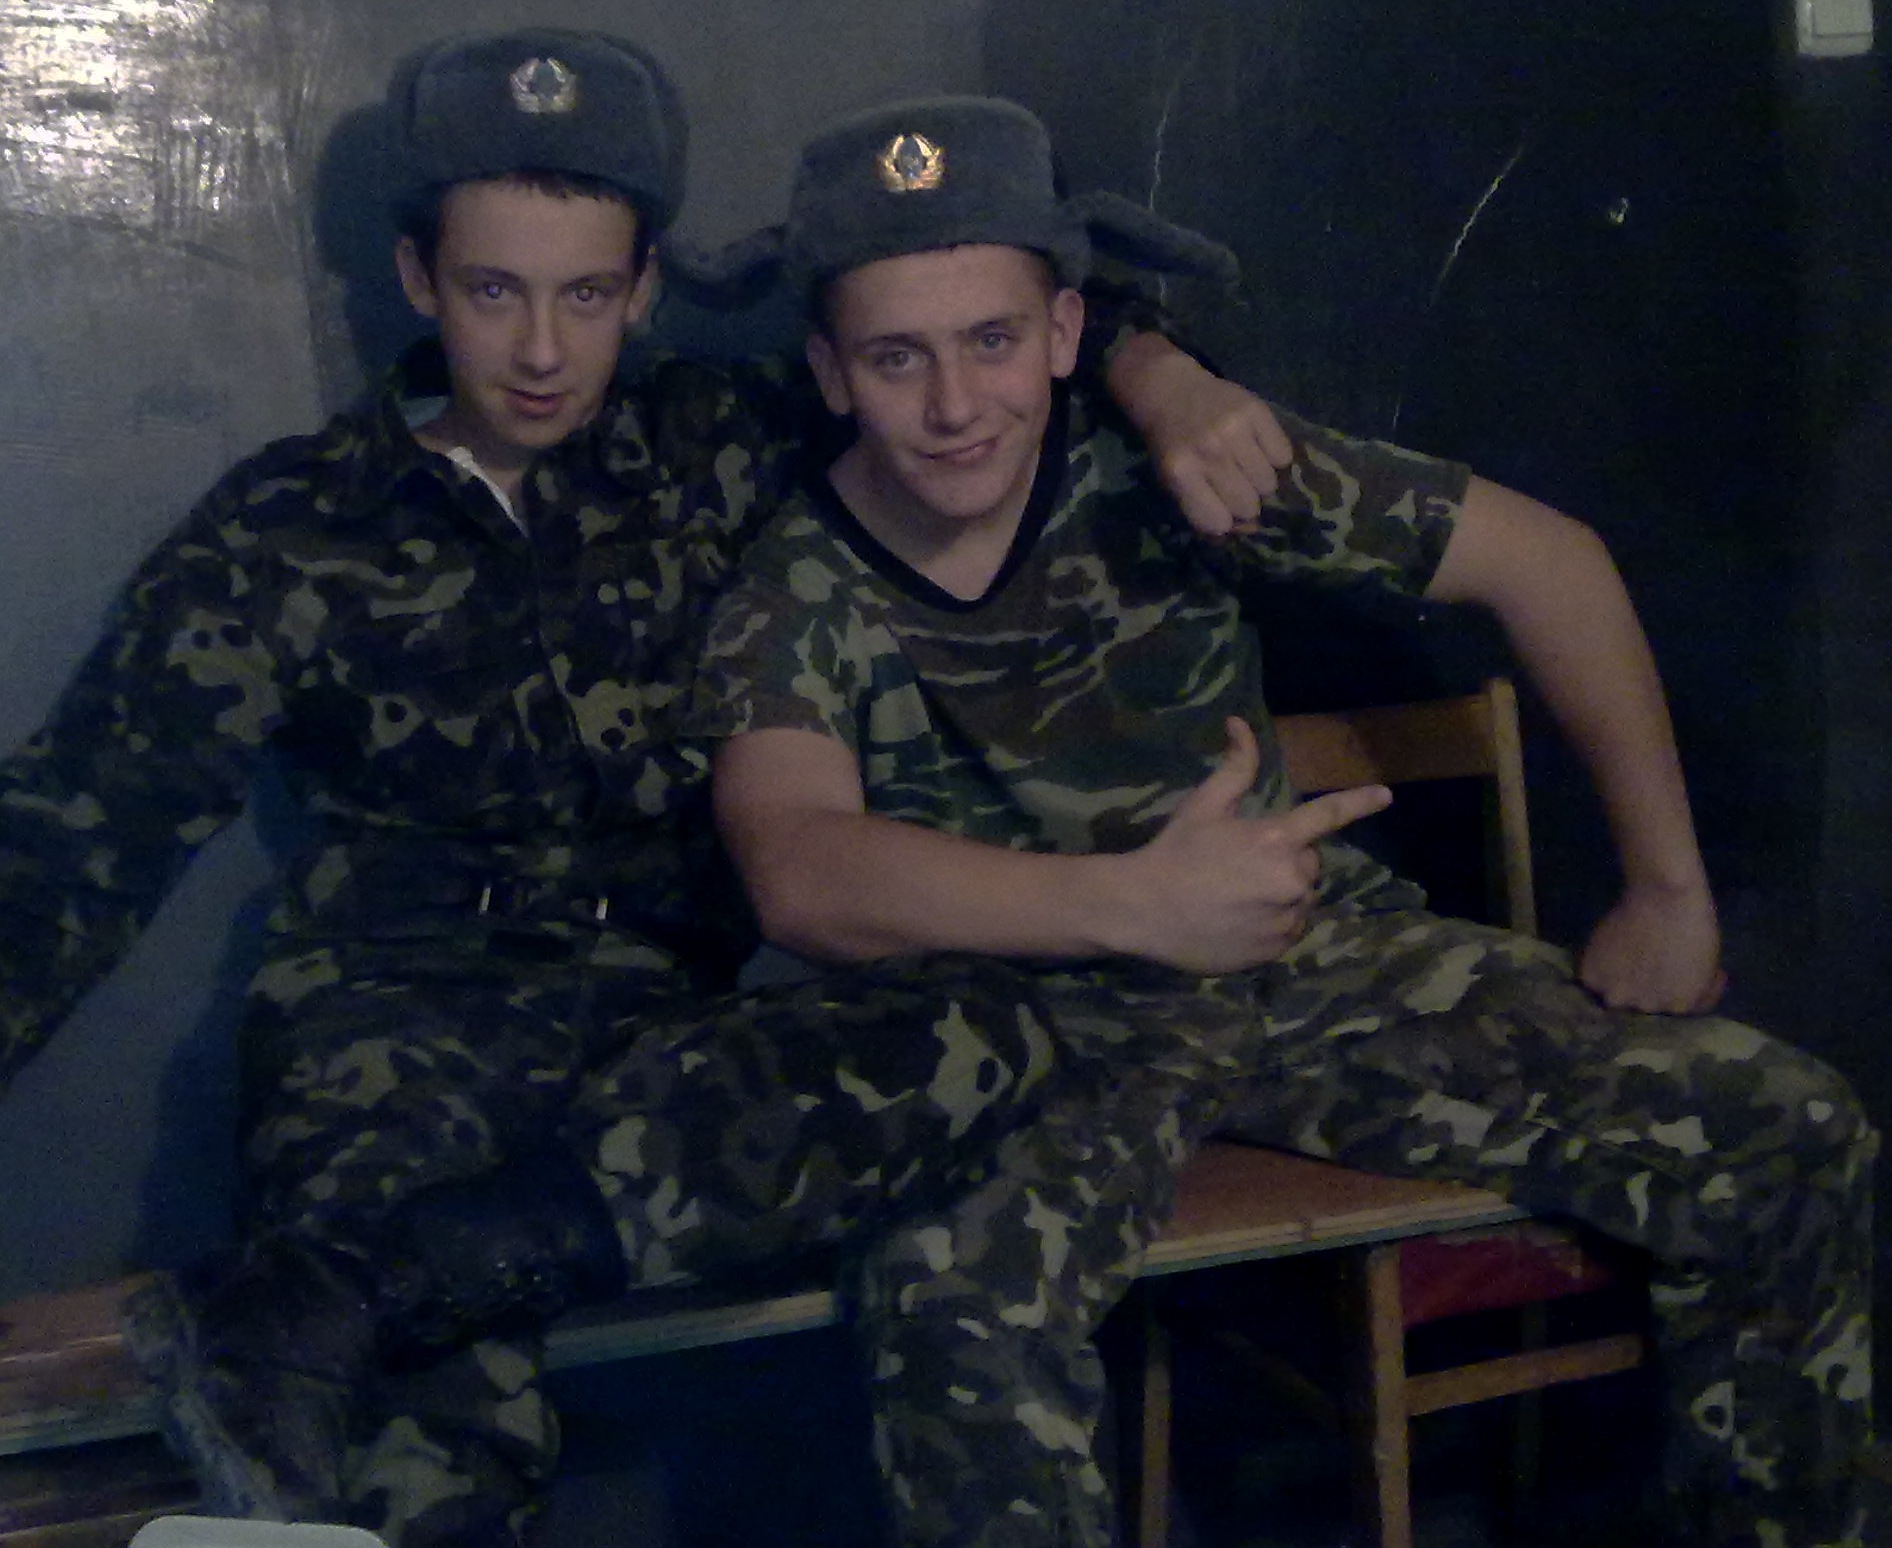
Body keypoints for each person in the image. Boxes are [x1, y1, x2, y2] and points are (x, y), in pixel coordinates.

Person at [0, 33, 1268, 1547]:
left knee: (982, 1032)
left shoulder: (717, 446)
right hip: (392, 1022)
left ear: (645, 288)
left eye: (586, 296)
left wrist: (1165, 378)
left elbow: (961, 325)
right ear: (418, 277)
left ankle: (347, 1286)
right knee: (431, 1457)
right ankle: (328, 1308)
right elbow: (91, 811)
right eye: (496, 292)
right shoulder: (293, 524)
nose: (543, 350)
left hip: (665, 1031)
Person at [613, 94, 1878, 1547]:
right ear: (832, 372)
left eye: (993, 341)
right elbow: (800, 869)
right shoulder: (795, 585)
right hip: (1022, 1033)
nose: (955, 405)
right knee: (954, 1301)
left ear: (1068, 331)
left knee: (1788, 1129)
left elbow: (1553, 565)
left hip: (1299, 967)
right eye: (899, 358)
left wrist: (1667, 888)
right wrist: (1138, 905)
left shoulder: (1177, 471)